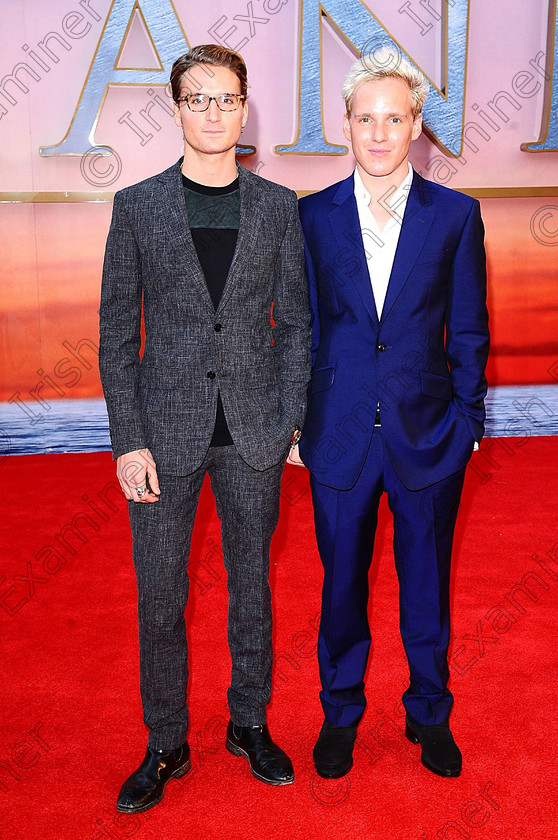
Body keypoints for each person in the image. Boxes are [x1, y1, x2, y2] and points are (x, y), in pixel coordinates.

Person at [99, 44, 311, 813]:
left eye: (226, 99)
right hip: (163, 433)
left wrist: (289, 420)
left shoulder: (280, 206)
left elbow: (296, 325)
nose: (213, 112)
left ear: (245, 107)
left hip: (254, 432)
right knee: (160, 596)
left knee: (251, 589)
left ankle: (248, 723)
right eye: (198, 99)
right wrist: (128, 440)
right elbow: (117, 334)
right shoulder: (138, 206)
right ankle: (166, 741)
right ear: (178, 107)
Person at [291, 47, 489, 779]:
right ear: (345, 124)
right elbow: (300, 329)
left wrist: (467, 423)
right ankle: (340, 712)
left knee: (426, 584)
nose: (379, 132)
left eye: (394, 118)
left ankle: (428, 713)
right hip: (338, 437)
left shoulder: (456, 217)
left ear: (416, 129)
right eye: (365, 118)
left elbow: (468, 328)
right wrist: (293, 424)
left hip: (429, 435)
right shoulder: (310, 218)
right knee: (339, 584)